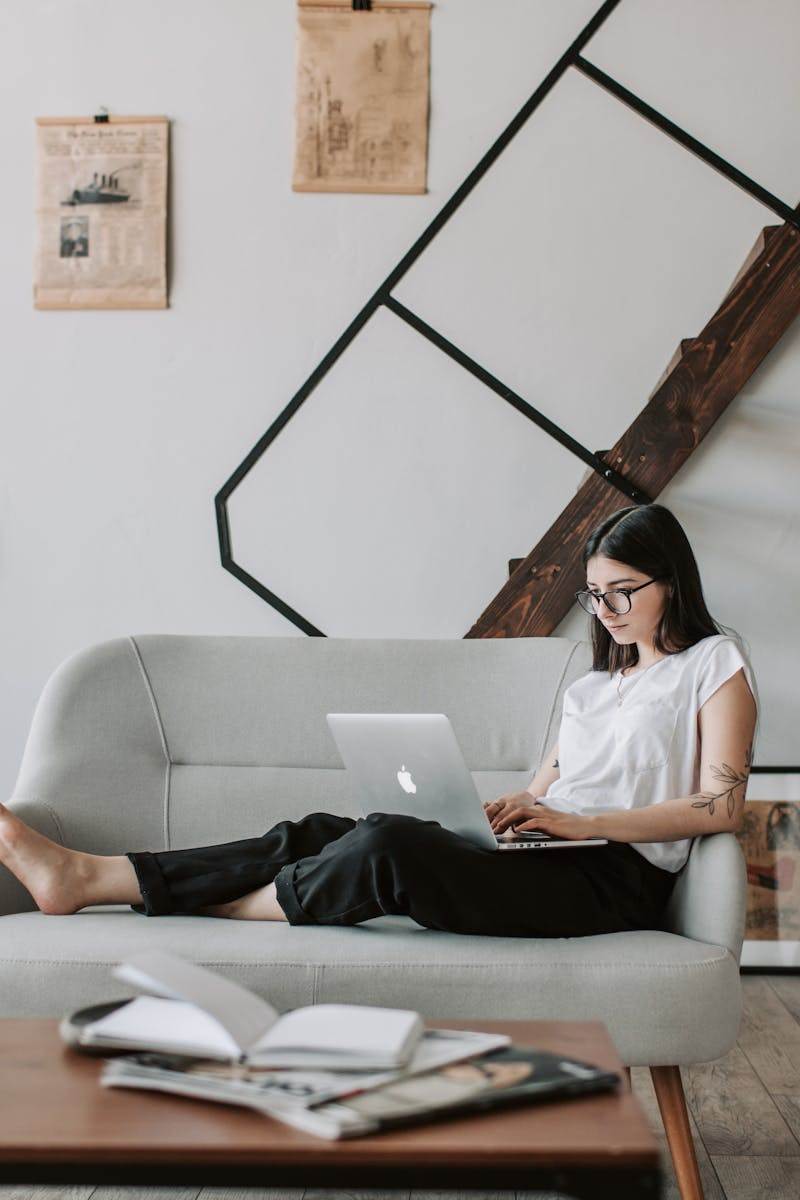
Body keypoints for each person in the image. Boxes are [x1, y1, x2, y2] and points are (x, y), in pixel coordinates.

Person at [0, 503, 759, 939]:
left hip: (611, 880)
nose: (607, 611)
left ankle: (183, 899)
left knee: (387, 846)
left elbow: (721, 807)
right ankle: (96, 875)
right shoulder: (593, 689)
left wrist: (578, 823)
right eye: (595, 595)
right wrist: (511, 814)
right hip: (549, 853)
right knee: (330, 828)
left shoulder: (713, 665)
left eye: (623, 590)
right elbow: (545, 790)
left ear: (672, 580)